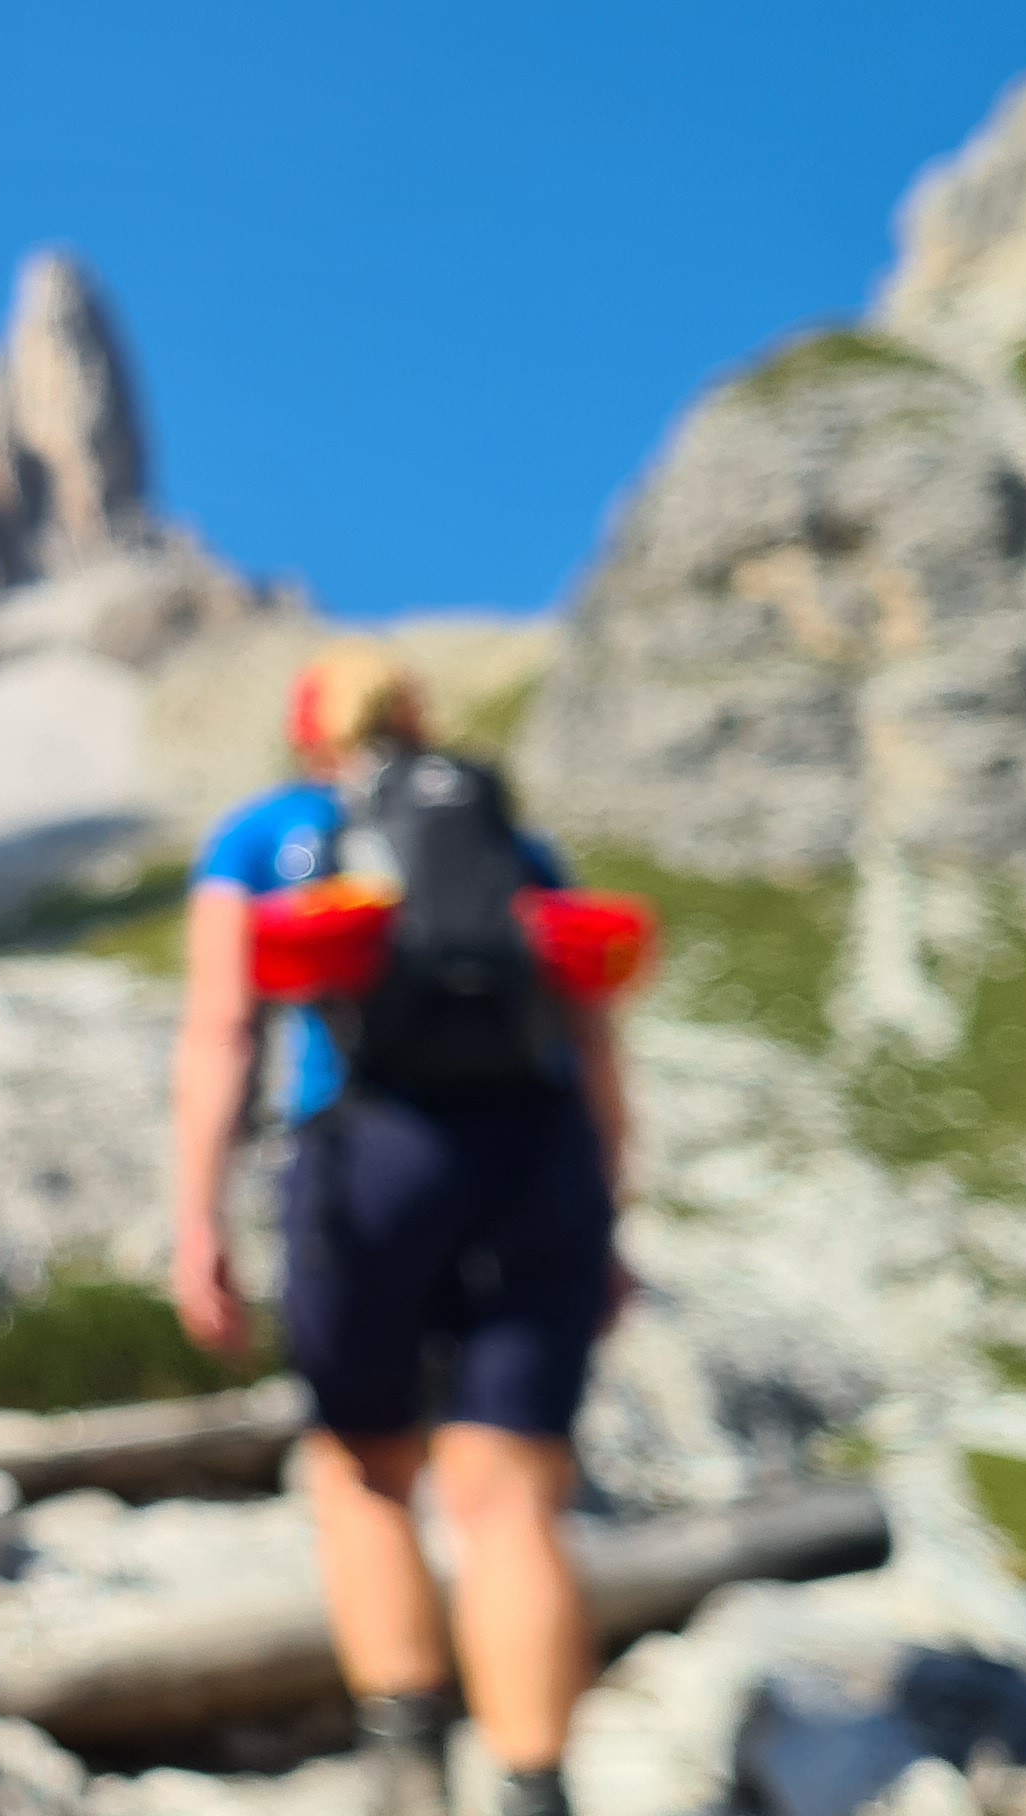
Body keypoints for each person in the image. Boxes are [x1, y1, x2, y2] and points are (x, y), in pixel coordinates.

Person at [166, 642, 632, 1816]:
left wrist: (198, 1217)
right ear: (420, 717)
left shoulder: (267, 835)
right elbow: (593, 1045)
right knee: (512, 1492)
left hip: (370, 1158)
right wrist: (609, 1221)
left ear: (308, 728)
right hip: (538, 1156)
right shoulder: (515, 845)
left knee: (364, 1465)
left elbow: (223, 1029)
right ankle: (534, 1789)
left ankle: (410, 1774)